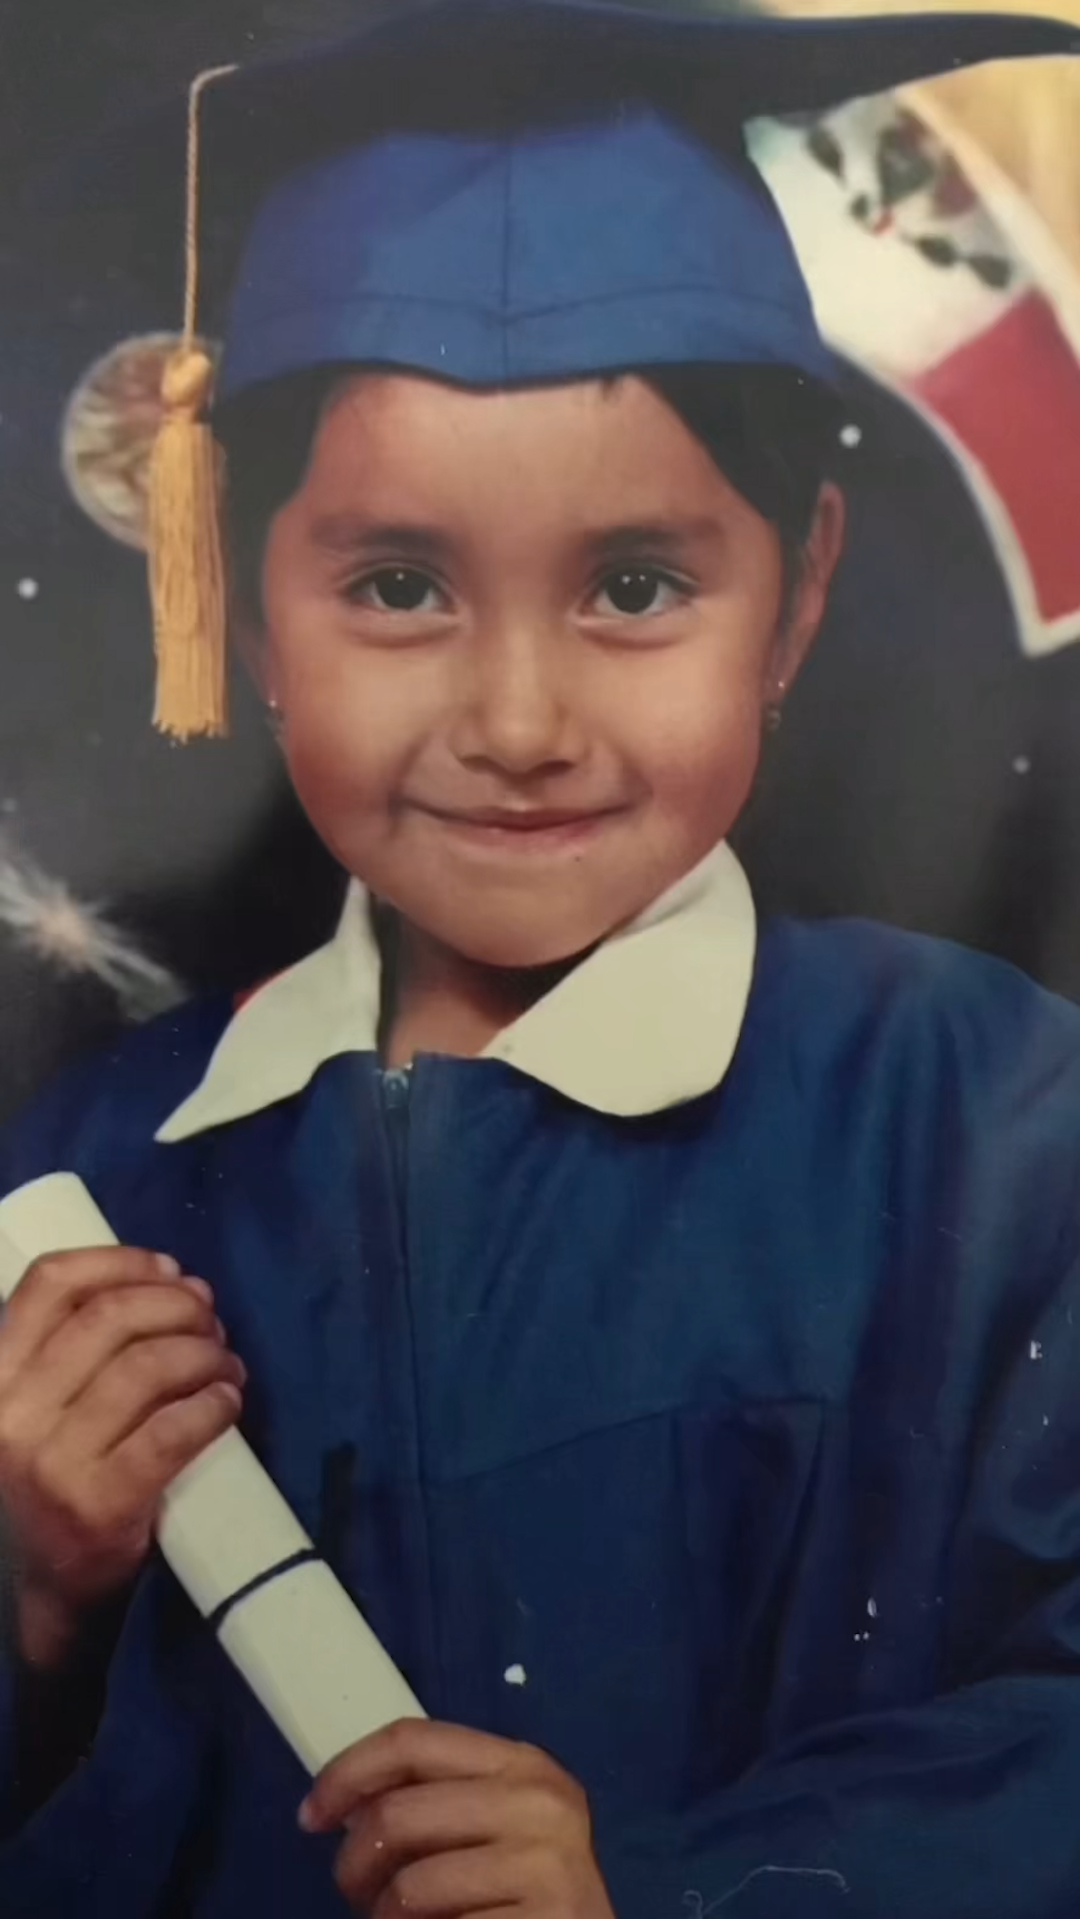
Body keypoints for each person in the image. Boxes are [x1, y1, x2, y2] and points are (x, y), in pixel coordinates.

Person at [1, 2, 1079, 1914]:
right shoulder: (91, 1194)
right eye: (397, 586)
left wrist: (680, 1890)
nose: (517, 717)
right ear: (244, 603)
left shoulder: (990, 1134)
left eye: (636, 586)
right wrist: (30, 1600)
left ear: (801, 589)